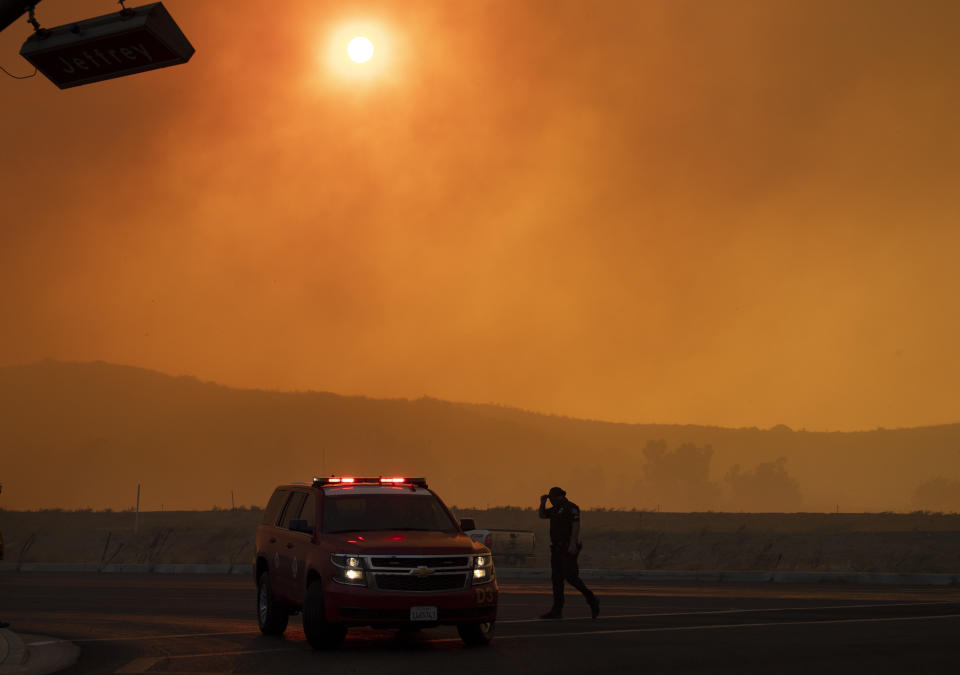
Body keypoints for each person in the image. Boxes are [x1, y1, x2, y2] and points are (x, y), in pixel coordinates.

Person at [538, 486, 599, 619]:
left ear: (560, 496)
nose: (552, 501)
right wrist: (542, 502)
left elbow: (576, 526)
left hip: (568, 547)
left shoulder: (571, 508)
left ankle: (592, 599)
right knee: (557, 579)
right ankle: (557, 610)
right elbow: (542, 515)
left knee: (571, 577)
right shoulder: (555, 509)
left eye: (553, 498)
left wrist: (573, 544)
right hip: (556, 548)